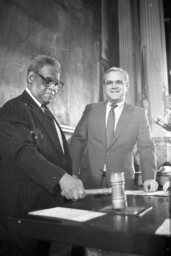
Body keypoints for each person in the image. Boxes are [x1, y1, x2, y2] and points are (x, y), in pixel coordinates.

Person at [0, 55, 85, 256]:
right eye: (48, 80)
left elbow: (57, 157)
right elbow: (23, 152)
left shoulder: (46, 113)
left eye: (57, 83)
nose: (53, 87)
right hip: (22, 214)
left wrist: (70, 177)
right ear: (30, 77)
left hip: (47, 209)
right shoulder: (15, 108)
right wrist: (62, 179)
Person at [69, 67, 158, 192]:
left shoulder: (139, 114)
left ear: (126, 85)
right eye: (109, 82)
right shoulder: (91, 110)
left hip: (123, 181)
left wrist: (149, 177)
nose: (113, 86)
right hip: (89, 179)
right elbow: (77, 141)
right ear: (104, 86)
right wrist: (72, 173)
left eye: (119, 82)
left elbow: (146, 147)